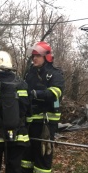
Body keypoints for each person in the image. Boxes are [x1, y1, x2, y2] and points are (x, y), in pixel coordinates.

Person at [21, 41, 64, 173]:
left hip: (46, 122)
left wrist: (36, 94)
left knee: (43, 157)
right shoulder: (30, 73)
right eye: (33, 55)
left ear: (47, 57)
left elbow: (56, 93)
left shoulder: (55, 74)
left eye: (37, 55)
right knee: (26, 156)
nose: (34, 58)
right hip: (30, 121)